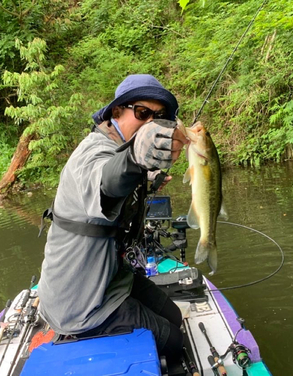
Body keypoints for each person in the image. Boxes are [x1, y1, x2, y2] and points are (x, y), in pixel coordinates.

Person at [37, 74, 189, 360]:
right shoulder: (92, 153)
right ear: (116, 111)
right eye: (142, 113)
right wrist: (134, 160)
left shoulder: (119, 148)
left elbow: (123, 175)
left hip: (113, 280)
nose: (150, 123)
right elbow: (107, 181)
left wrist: (147, 175)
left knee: (174, 315)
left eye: (159, 117)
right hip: (80, 303)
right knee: (174, 341)